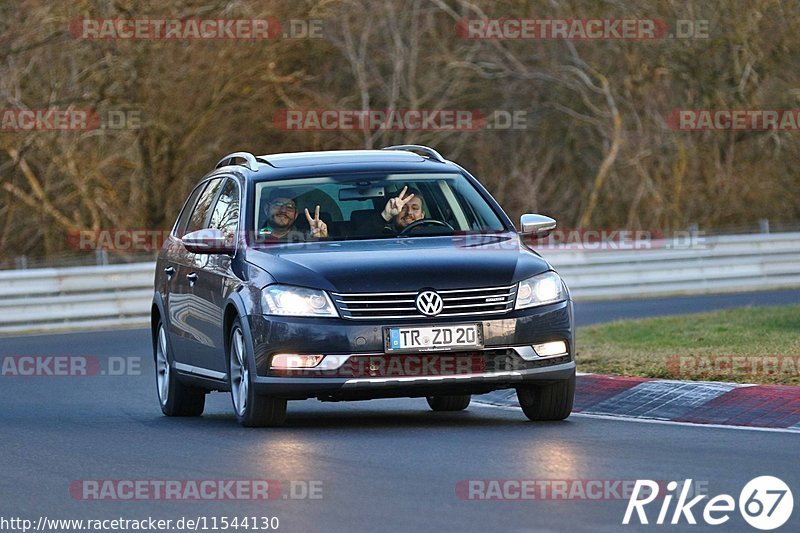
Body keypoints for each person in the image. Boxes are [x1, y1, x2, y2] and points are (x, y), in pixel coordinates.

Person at [258, 189, 327, 242]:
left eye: (289, 206)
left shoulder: (306, 239)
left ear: (296, 214)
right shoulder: (252, 237)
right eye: (278, 204)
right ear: (266, 209)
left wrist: (320, 239)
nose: (283, 210)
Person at [361, 185, 426, 235]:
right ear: (394, 215)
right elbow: (360, 242)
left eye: (415, 208)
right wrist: (385, 216)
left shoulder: (433, 234)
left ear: (422, 215)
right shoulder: (383, 234)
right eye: (403, 208)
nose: (409, 212)